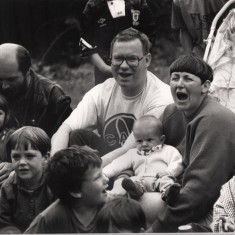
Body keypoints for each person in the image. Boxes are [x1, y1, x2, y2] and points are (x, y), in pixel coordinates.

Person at [51, 28, 173, 166]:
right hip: (108, 161)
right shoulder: (100, 92)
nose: (124, 66)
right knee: (76, 136)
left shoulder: (162, 97)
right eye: (118, 58)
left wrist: (89, 171)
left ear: (147, 60)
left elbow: (129, 149)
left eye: (132, 59)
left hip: (144, 164)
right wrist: (54, 164)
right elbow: (64, 129)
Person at [147, 54, 235, 232]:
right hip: (175, 192)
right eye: (175, 78)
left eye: (188, 78)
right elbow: (142, 146)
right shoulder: (172, 112)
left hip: (217, 209)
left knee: (143, 206)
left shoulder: (215, 119)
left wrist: (157, 229)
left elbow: (200, 193)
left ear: (205, 86)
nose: (179, 84)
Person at [25, 145, 109, 233]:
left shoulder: (116, 209)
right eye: (97, 177)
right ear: (75, 191)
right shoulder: (50, 219)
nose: (106, 179)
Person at [103, 115, 183, 205]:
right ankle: (136, 190)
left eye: (149, 140)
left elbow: (177, 163)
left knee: (167, 180)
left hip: (159, 178)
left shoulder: (167, 150)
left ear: (161, 139)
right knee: (132, 180)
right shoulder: (133, 153)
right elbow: (117, 164)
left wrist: (168, 172)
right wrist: (104, 173)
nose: (144, 144)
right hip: (141, 181)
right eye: (139, 141)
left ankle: (169, 193)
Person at [0, 43, 72, 138]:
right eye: (0, 79)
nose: (4, 86)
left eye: (11, 80)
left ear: (28, 72)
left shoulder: (52, 96)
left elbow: (64, 141)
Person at [80, 0, 156, 84]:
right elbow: (86, 42)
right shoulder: (94, 5)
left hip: (135, 68)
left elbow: (150, 35)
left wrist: (136, 62)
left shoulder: (138, 3)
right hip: (105, 71)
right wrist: (105, 68)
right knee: (105, 95)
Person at [0, 126, 55, 233]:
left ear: (46, 157)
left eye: (29, 156)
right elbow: (4, 223)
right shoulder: (8, 188)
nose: (22, 162)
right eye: (16, 157)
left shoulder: (54, 185)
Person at [0, 95, 18, 185]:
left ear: (6, 115)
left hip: (6, 181)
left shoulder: (12, 135)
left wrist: (13, 166)